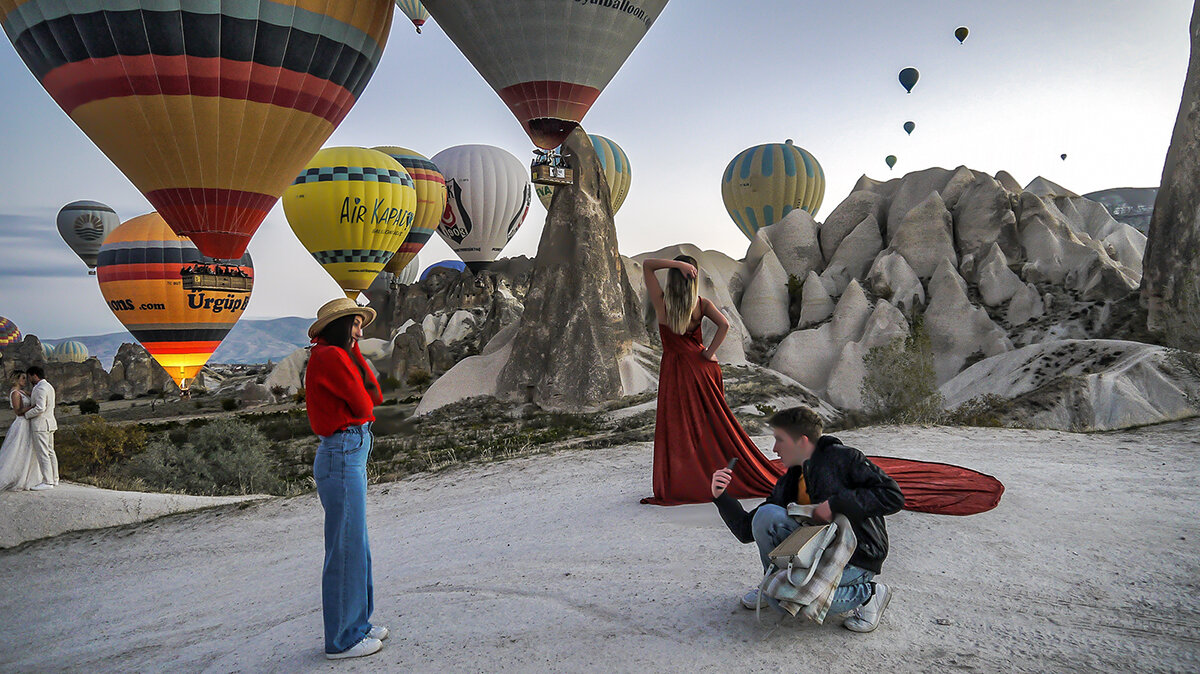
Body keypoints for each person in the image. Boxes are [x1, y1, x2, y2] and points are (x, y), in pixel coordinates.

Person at [710, 406, 904, 633]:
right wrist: (721, 497)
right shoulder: (791, 479)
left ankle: (868, 594)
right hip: (817, 551)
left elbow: (893, 496)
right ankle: (772, 584)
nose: (774, 449)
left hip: (856, 557)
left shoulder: (844, 458)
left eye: (779, 440)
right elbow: (747, 530)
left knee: (789, 602)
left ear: (801, 441)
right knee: (766, 516)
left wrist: (835, 504)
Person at [639, 255, 784, 505]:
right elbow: (725, 325)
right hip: (703, 368)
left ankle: (687, 478)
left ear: (673, 279)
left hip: (676, 371)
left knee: (680, 426)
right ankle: (712, 471)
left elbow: (647, 266)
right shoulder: (701, 303)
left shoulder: (662, 303)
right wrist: (707, 351)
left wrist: (676, 266)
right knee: (712, 426)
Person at [304, 298, 388, 660]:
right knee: (346, 547)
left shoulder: (337, 355)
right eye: (354, 325)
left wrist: (355, 354)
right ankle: (342, 640)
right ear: (338, 326)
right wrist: (351, 356)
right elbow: (365, 405)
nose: (360, 331)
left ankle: (359, 624)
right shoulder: (329, 357)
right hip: (342, 454)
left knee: (358, 544)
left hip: (348, 453)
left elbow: (375, 394)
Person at [0, 371, 44, 491]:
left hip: (28, 422)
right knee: (18, 448)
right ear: (16, 379)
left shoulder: (21, 392)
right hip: (21, 423)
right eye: (23, 378)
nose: (25, 381)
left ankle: (29, 476)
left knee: (29, 448)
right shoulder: (15, 393)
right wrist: (34, 406)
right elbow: (18, 411)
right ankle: (16, 477)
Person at [24, 366, 58, 490]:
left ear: (34, 375)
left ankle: (48, 481)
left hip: (41, 425)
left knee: (43, 453)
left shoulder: (40, 388)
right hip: (50, 423)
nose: (29, 380)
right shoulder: (48, 386)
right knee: (50, 452)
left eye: (29, 377)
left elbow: (40, 408)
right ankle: (54, 479)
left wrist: (26, 415)